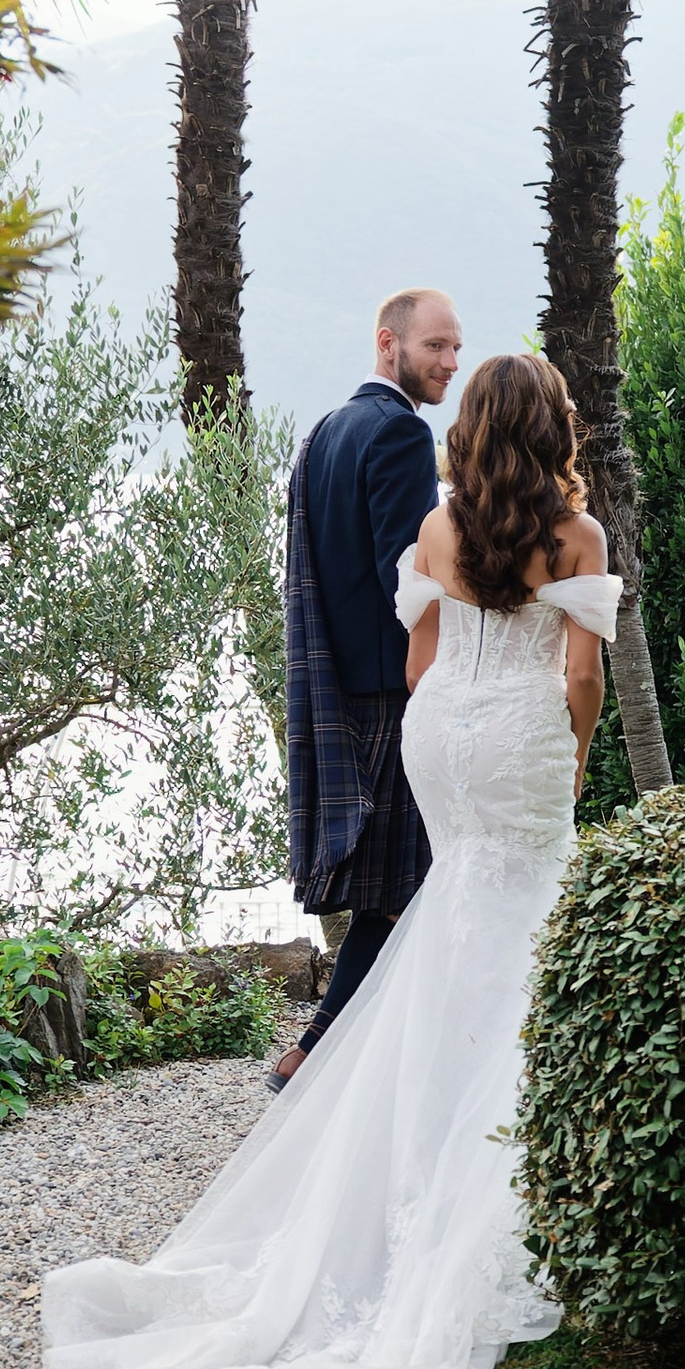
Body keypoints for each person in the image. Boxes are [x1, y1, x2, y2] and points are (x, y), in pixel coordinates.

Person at [42, 353, 620, 1369]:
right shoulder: (574, 537)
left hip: (441, 731)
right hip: (521, 738)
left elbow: (417, 663)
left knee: (457, 917)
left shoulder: (442, 531)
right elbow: (581, 677)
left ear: (475, 430)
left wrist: (456, 724)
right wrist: (572, 753)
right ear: (552, 427)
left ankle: (412, 1152)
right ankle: (500, 1178)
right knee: (526, 921)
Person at [269, 286, 463, 1093]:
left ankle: (345, 1054)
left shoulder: (324, 432)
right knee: (398, 888)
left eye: (457, 348)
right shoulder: (398, 433)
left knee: (399, 886)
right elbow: (410, 578)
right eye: (435, 349)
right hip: (393, 690)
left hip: (339, 692)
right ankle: (319, 1055)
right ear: (389, 344)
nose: (450, 364)